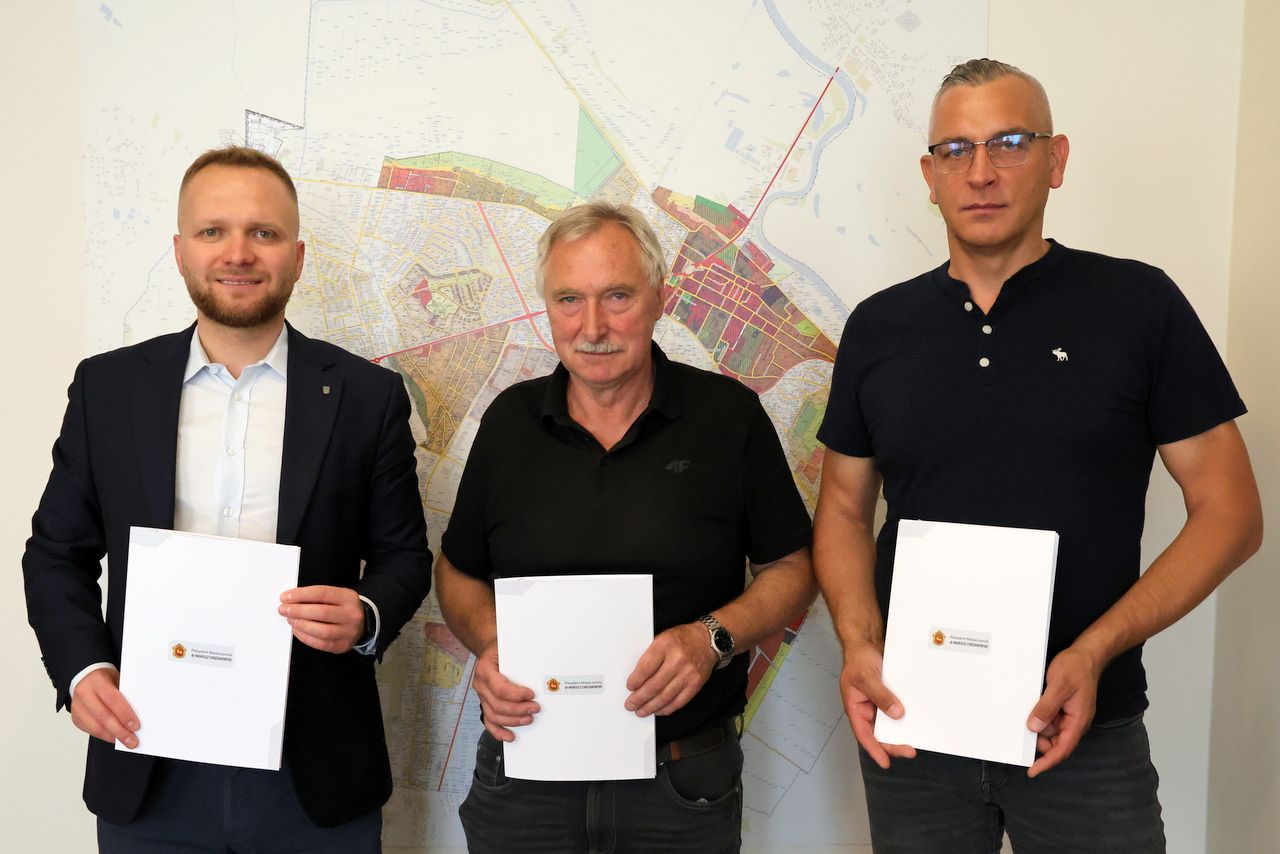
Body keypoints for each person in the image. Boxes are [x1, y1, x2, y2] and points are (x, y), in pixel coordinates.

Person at [813, 59, 1263, 853]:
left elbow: (1231, 514)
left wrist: (1094, 652)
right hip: (917, 729)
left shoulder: (1139, 305)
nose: (981, 172)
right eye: (956, 150)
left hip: (1086, 731)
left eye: (1010, 143)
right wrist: (858, 643)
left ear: (1056, 160)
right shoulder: (878, 328)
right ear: (929, 176)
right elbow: (844, 510)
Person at [23, 146, 433, 852]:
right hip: (147, 761)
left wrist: (365, 615)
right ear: (180, 251)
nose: (238, 253)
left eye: (263, 233)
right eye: (213, 231)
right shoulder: (107, 388)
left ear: (297, 257)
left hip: (314, 774)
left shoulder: (367, 397)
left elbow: (405, 557)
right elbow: (56, 553)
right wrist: (83, 669)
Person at [434, 201, 816, 853]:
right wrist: (492, 645)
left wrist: (711, 638)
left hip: (680, 784)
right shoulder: (509, 423)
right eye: (569, 299)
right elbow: (458, 569)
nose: (592, 327)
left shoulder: (728, 417)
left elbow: (792, 569)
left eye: (617, 296)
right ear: (547, 307)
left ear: (659, 297)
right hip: (525, 776)